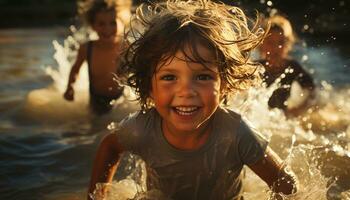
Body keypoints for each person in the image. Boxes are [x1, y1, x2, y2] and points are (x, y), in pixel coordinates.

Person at [88, 1, 298, 199]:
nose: (186, 91)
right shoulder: (142, 128)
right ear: (149, 86)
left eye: (203, 76)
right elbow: (110, 147)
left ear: (224, 84)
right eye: (169, 77)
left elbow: (287, 184)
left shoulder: (237, 134)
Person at [63, 0, 124, 115]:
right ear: (93, 26)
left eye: (113, 23)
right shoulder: (87, 48)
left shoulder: (125, 47)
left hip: (121, 100)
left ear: (120, 22)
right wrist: (70, 87)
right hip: (96, 101)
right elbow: (76, 69)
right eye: (101, 24)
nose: (107, 29)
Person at [258, 14, 315, 114]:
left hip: (281, 117)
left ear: (287, 44)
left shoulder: (291, 67)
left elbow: (311, 90)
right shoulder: (256, 68)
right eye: (270, 42)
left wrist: (298, 109)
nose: (276, 48)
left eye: (280, 42)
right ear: (261, 44)